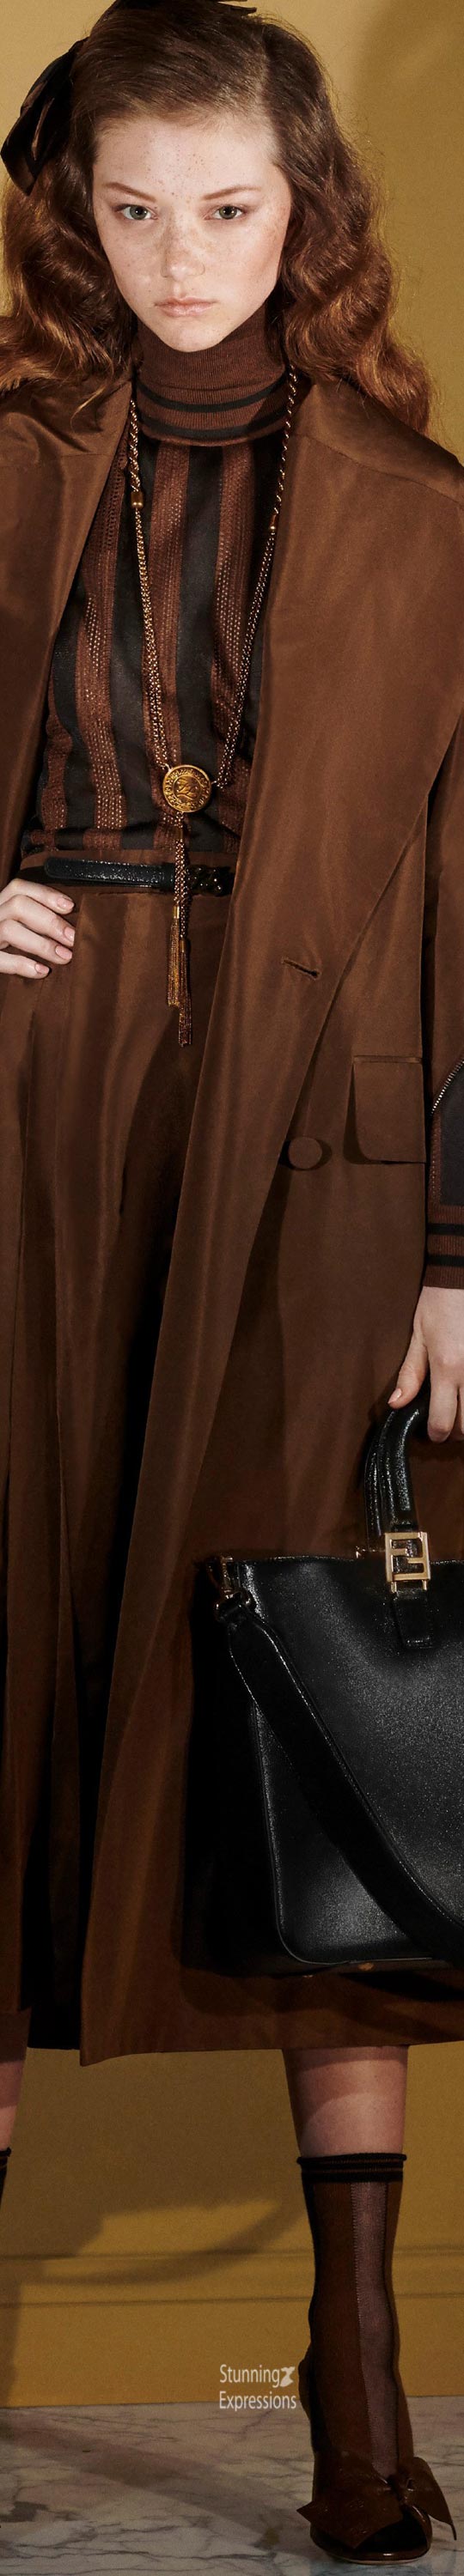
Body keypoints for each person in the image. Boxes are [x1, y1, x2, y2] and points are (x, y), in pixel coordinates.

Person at [0, 0, 463, 2555]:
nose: (182, 259)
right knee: (6, 1662)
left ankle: (354, 2374)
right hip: (33, 1110)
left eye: (230, 207)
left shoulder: (421, 509)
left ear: (308, 211)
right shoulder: (2, 450)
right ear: (75, 209)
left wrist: (461, 1249)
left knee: (313, 1701)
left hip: (316, 1147)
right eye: (133, 207)